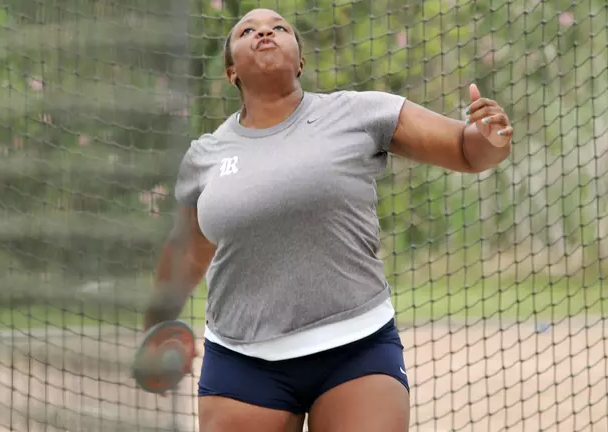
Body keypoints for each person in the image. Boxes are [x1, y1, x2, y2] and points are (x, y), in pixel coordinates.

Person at [143, 7, 513, 432]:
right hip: (242, 361)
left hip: (356, 350)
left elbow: (467, 151)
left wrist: (490, 139)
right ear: (231, 71)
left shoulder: (359, 113)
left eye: (279, 27)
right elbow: (188, 252)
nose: (265, 32)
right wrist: (155, 330)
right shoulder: (204, 155)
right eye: (248, 31)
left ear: (300, 59)